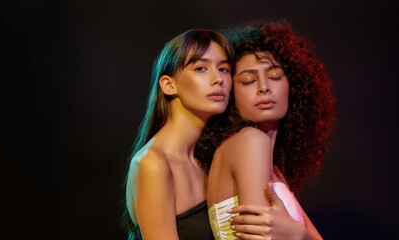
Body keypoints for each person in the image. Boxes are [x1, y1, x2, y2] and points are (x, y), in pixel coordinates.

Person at [196, 20, 335, 240]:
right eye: (248, 80)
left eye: (274, 76)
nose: (264, 87)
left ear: (294, 85)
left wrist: (298, 233)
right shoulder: (250, 141)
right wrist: (297, 234)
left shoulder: (274, 170)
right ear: (231, 93)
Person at [123, 29, 235, 240]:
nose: (218, 78)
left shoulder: (210, 158)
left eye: (224, 69)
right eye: (201, 68)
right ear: (169, 85)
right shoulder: (152, 164)